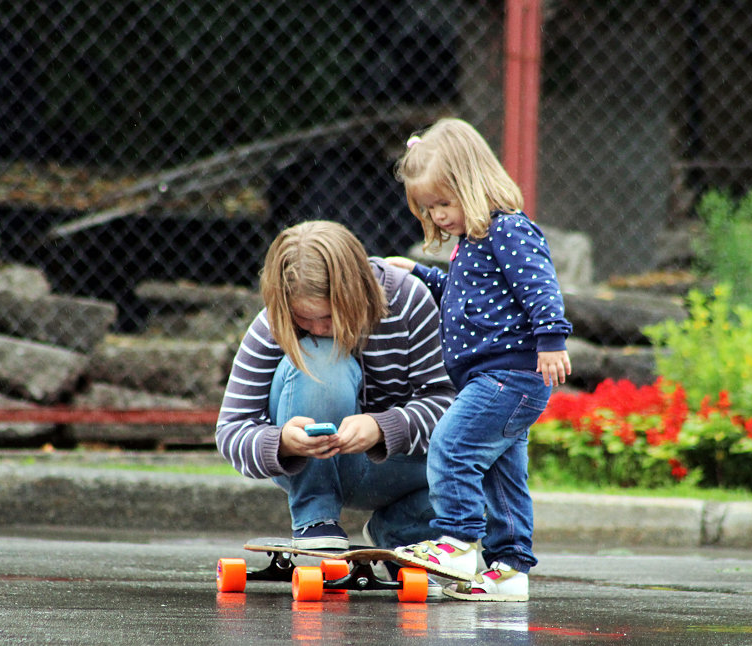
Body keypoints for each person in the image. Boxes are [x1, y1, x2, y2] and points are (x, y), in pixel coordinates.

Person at [387, 117, 573, 601]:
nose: (439, 217)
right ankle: (509, 570)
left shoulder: (507, 230)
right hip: (495, 378)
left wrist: (552, 339)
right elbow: (466, 298)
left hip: (509, 375)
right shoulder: (472, 244)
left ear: (473, 183)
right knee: (502, 474)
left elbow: (540, 287)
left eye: (444, 203)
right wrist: (422, 274)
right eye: (428, 209)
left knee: (451, 446)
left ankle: (457, 541)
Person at [216, 220, 455, 554]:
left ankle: (400, 532)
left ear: (357, 292)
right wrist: (282, 442)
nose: (317, 327)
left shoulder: (409, 298)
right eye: (305, 319)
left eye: (328, 317)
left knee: (491, 470)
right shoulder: (275, 320)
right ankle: (316, 518)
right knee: (320, 356)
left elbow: (446, 400)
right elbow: (230, 430)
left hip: (393, 470)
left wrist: (384, 427)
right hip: (307, 469)